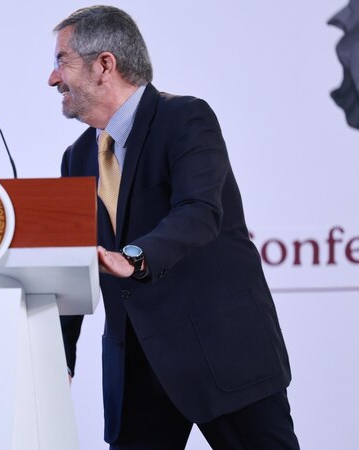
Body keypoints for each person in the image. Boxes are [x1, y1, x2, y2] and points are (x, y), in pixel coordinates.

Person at [50, 6, 299, 449]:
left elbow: (199, 212)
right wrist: (56, 358)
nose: (53, 80)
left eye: (61, 61)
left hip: (222, 355)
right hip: (136, 374)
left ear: (104, 64)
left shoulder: (185, 119)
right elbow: (73, 261)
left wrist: (134, 257)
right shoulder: (77, 158)